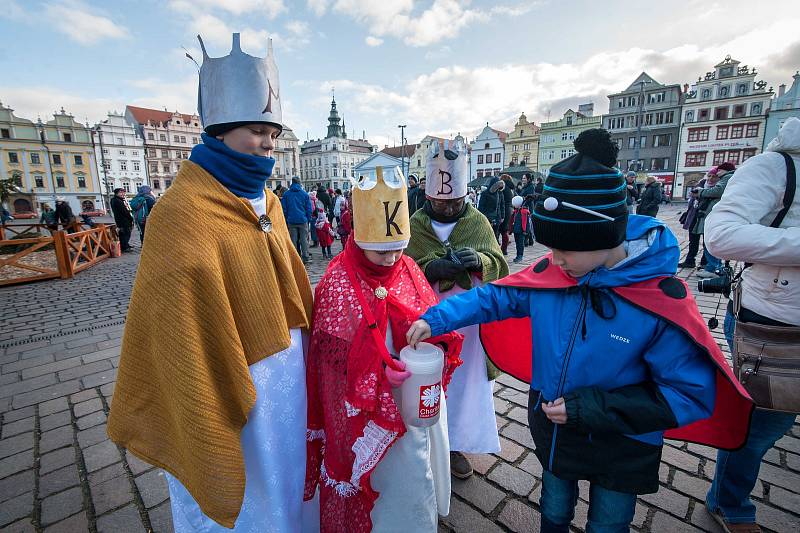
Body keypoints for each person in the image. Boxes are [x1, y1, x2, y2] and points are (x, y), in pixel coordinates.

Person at [407, 128, 753, 533]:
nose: (553, 261)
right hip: (558, 434)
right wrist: (436, 318)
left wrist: (593, 409)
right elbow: (495, 298)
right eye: (550, 249)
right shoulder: (556, 273)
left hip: (623, 446)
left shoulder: (658, 301)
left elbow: (689, 394)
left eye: (564, 250)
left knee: (609, 522)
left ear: (603, 237)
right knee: (553, 510)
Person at [108, 33, 317, 532]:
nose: (268, 141)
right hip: (227, 364)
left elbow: (287, 277)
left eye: (273, 130)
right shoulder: (180, 211)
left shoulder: (265, 200)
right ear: (220, 130)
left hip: (285, 366)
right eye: (255, 129)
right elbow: (176, 317)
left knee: (287, 471)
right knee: (245, 478)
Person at [305, 165, 463, 533]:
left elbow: (428, 315)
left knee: (411, 472)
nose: (391, 260)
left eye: (397, 250)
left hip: (411, 400)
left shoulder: (408, 267)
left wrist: (432, 344)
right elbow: (329, 362)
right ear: (360, 239)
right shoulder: (336, 280)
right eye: (381, 253)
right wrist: (375, 372)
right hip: (367, 407)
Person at [703, 116, 800, 533]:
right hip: (775, 320)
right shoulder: (776, 166)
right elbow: (720, 236)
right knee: (764, 422)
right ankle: (730, 501)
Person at [406, 138, 508, 479]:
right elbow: (403, 266)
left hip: (469, 324)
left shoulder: (478, 222)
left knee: (464, 384)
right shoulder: (416, 223)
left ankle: (455, 444)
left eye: (453, 203)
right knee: (428, 381)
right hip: (427, 321)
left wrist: (480, 260)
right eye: (440, 202)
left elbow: (499, 264)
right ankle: (423, 439)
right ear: (429, 197)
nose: (447, 208)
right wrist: (428, 268)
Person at [690, 161, 736, 279]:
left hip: (713, 215)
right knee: (710, 241)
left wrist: (700, 192)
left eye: (719, 171)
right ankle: (713, 266)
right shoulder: (728, 178)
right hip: (712, 214)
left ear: (725, 170)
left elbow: (717, 191)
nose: (717, 173)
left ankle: (713, 267)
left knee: (710, 241)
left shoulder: (727, 178)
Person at [678, 168, 720, 271]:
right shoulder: (700, 185)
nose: (711, 178)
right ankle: (690, 260)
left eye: (714, 176)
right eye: (709, 176)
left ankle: (704, 262)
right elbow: (691, 202)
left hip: (708, 218)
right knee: (693, 240)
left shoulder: (716, 189)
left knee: (707, 241)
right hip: (694, 216)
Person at [282, 177, 313, 263]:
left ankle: (294, 258)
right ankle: (306, 257)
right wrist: (308, 218)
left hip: (291, 220)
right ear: (299, 183)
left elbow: (284, 209)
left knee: (293, 240)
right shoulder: (304, 194)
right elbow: (309, 209)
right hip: (303, 220)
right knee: (304, 239)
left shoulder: (286, 194)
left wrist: (287, 218)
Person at [477, 175, 505, 241]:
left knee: (496, 236)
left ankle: (496, 250)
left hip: (497, 217)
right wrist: (482, 217)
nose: (498, 188)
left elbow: (501, 205)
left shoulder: (499, 193)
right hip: (487, 218)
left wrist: (502, 216)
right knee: (487, 236)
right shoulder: (485, 194)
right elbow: (481, 207)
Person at [110, 188, 134, 252]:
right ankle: (124, 247)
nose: (123, 194)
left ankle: (125, 245)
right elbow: (124, 211)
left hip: (121, 220)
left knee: (124, 233)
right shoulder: (117, 201)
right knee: (125, 233)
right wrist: (130, 218)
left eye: (123, 192)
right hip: (123, 220)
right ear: (116, 193)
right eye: (121, 192)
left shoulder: (117, 200)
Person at [509, 195, 531, 263]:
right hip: (516, 230)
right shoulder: (516, 211)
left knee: (520, 244)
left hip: (521, 231)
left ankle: (520, 256)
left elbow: (527, 222)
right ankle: (518, 255)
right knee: (517, 243)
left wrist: (525, 231)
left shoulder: (524, 211)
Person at [498, 173, 515, 255]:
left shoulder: (503, 187)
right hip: (510, 209)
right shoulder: (510, 188)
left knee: (498, 229)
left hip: (504, 209)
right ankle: (504, 249)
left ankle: (498, 249)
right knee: (505, 230)